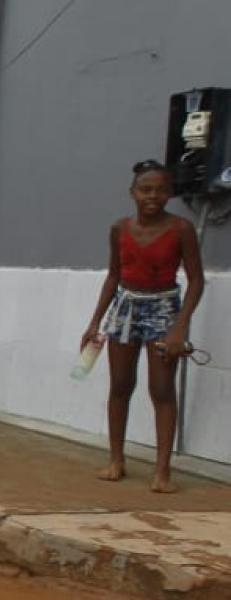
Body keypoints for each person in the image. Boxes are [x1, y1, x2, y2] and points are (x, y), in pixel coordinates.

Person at [80, 159, 205, 492]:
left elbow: (195, 280)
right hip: (125, 307)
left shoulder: (181, 229)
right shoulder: (119, 229)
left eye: (161, 189)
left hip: (164, 308)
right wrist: (94, 323)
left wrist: (180, 327)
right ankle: (116, 459)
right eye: (146, 189)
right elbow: (113, 277)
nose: (153, 196)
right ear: (132, 193)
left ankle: (162, 471)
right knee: (120, 384)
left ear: (170, 193)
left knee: (162, 389)